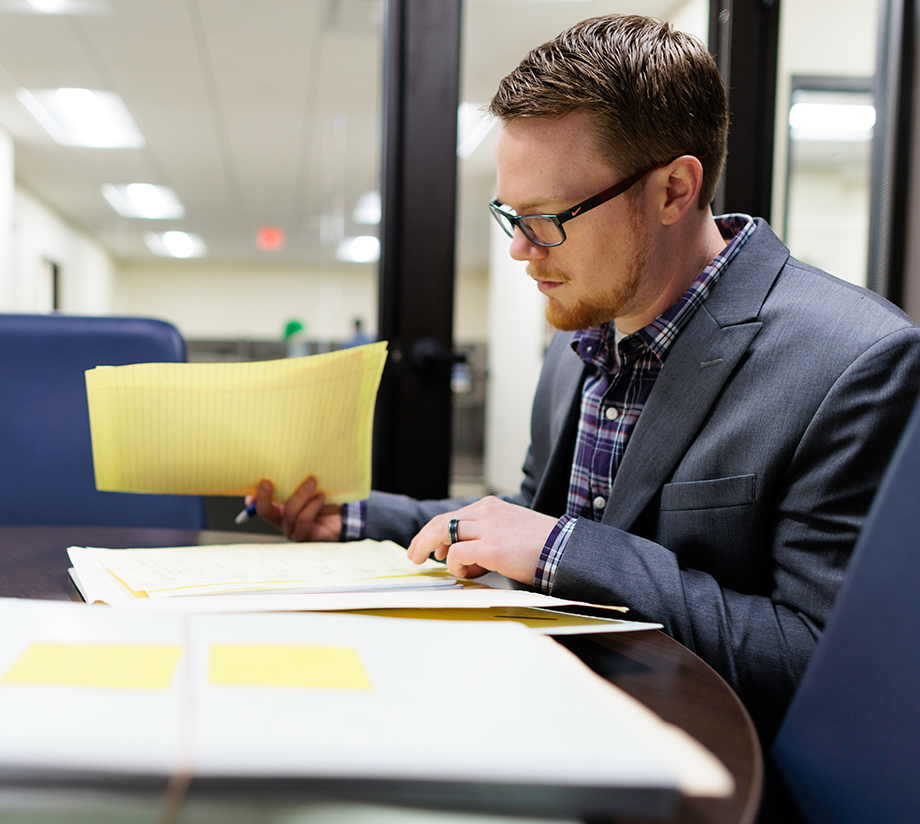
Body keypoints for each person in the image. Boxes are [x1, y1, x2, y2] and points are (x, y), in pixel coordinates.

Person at [253, 14, 920, 740]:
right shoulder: (583, 336)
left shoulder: (857, 362)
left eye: (547, 218)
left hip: (702, 780)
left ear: (673, 190)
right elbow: (530, 516)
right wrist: (354, 519)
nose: (520, 251)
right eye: (511, 215)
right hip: (551, 714)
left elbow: (819, 666)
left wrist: (566, 553)